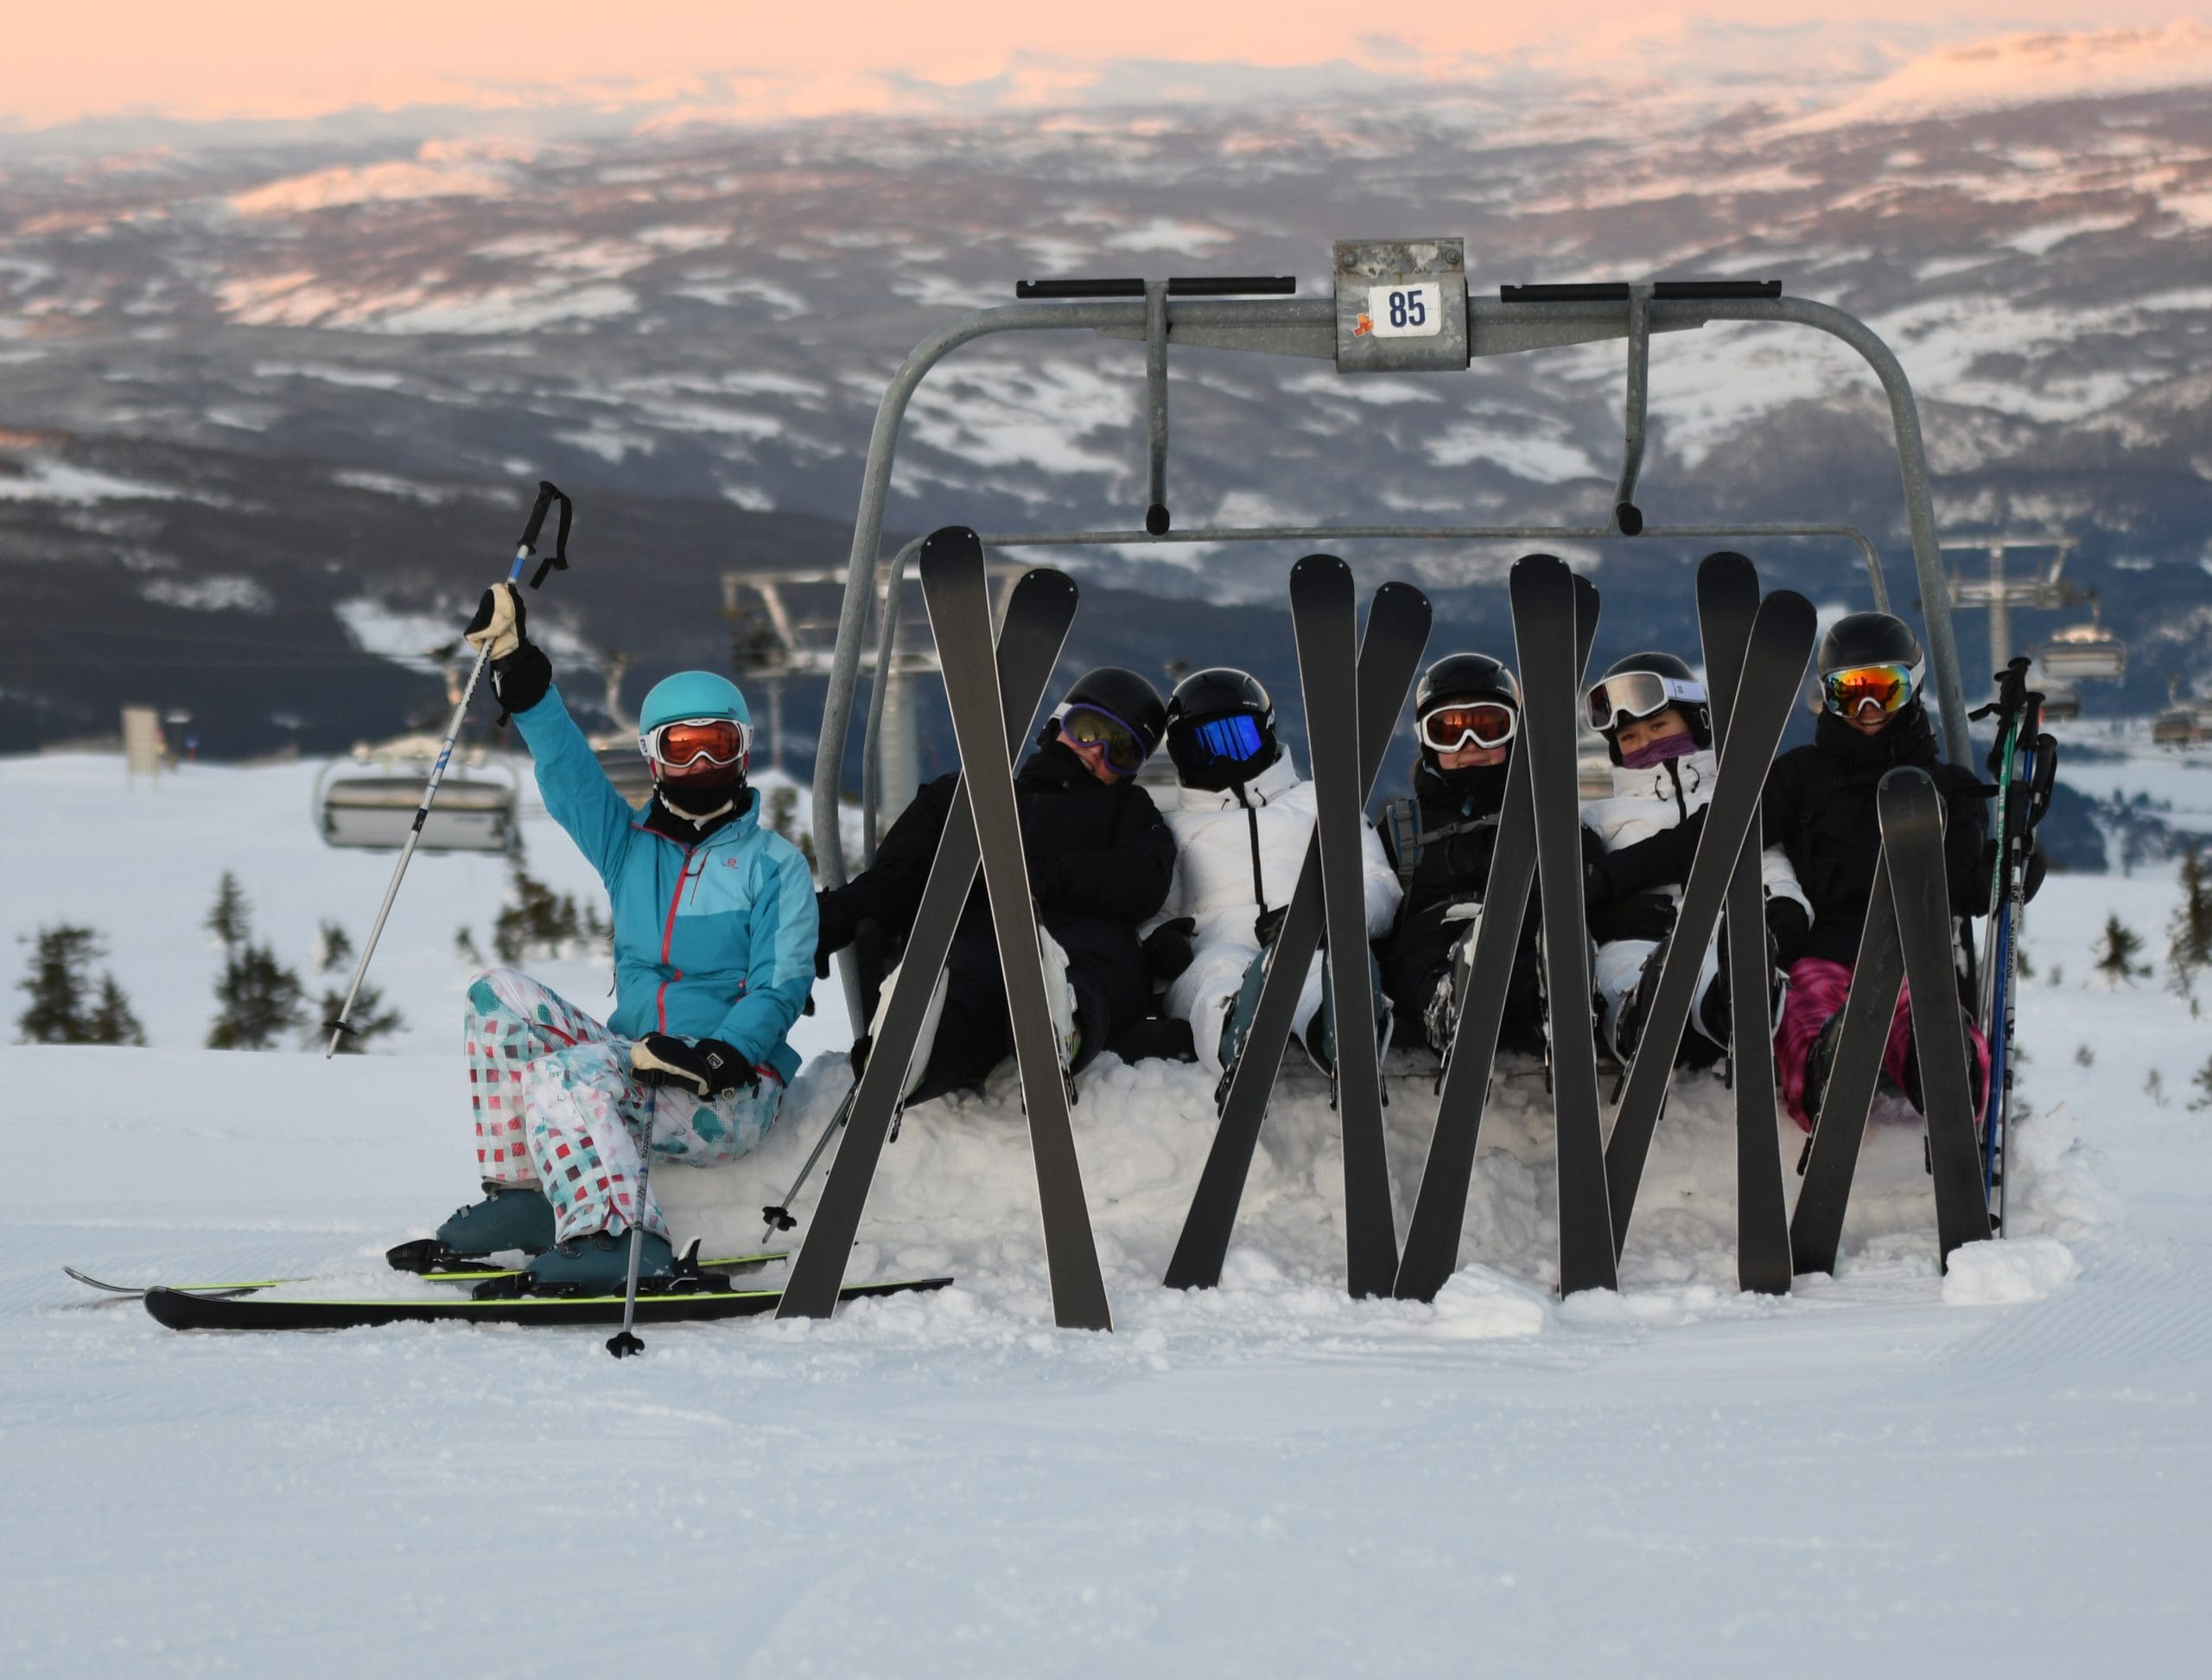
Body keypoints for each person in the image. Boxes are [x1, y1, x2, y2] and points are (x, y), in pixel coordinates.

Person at [420, 582, 817, 1284]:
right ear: (654, 756)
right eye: (682, 747)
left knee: (565, 1075)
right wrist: (519, 673)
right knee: (497, 997)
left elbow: (780, 982)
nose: (701, 765)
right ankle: (528, 1202)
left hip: (727, 1093)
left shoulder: (774, 865)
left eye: (717, 745)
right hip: (638, 1067)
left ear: (743, 753)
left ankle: (624, 1238)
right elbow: (569, 776)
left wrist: (726, 1052)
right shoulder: (630, 848)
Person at [816, 666, 1176, 1101]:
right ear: (1056, 724)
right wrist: (817, 927)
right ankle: (911, 1050)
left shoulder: (1130, 811)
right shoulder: (958, 797)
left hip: (1080, 947)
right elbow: (894, 881)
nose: (1097, 752)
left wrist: (1039, 877)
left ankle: (1064, 1025)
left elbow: (1144, 879)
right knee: (962, 990)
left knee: (1097, 976)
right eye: (1088, 730)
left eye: (1121, 751)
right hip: (974, 943)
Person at [1763, 612, 1999, 1128]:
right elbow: (1731, 842)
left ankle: (1943, 1070)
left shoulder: (1947, 788)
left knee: (1928, 1015)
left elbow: (1962, 888)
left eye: (1884, 690)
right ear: (1827, 696)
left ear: (1911, 687)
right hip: (1821, 955)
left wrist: (1997, 877)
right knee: (1806, 1010)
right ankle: (1830, 1069)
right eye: (1849, 692)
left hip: (1916, 961)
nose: (1868, 709)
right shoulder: (1801, 777)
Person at [1147, 667, 1398, 1076]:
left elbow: (1378, 883)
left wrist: (1326, 920)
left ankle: (1341, 1026)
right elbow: (1152, 910)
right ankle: (1234, 1030)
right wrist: (1157, 943)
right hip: (1212, 948)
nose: (1225, 758)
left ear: (1265, 732)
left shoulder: (1323, 802)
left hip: (1307, 940)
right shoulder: (1173, 830)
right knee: (1215, 975)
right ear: (1179, 757)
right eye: (1203, 748)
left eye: (1238, 739)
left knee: (1317, 967)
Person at [1580, 652, 1811, 1066]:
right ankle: (1638, 1017)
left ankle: (1731, 1004)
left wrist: (1785, 903)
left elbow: (1770, 864)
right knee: (1619, 969)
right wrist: (1611, 916)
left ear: (1696, 721)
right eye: (1629, 737)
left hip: (1723, 931)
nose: (1646, 743)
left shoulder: (1736, 799)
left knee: (1719, 963)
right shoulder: (1598, 818)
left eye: (1658, 725)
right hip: (1639, 941)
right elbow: (1581, 888)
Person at [1380, 653, 1573, 1061]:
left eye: (1488, 728)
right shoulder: (1400, 826)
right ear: (1427, 742)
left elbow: (1587, 874)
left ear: (1514, 734)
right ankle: (1447, 1010)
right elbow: (1371, 893)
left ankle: (1554, 1010)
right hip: (1430, 939)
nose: (1471, 746)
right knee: (1417, 964)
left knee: (1531, 958)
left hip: (1519, 930)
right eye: (1448, 732)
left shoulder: (1547, 817)